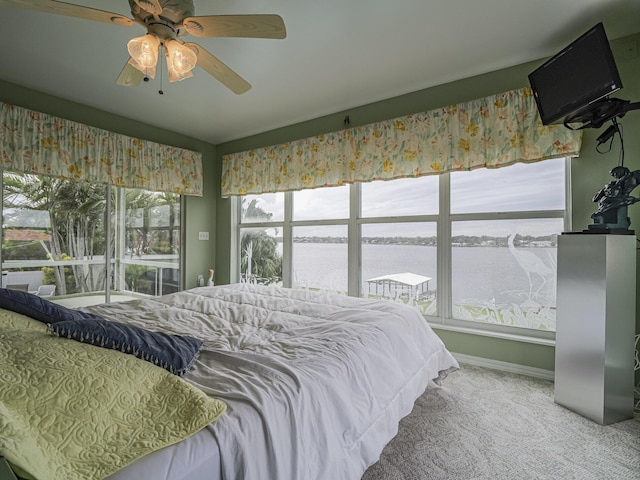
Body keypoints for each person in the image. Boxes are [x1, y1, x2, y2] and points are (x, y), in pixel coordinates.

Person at [589, 166, 640, 230]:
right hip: (609, 202)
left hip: (618, 201)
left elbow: (623, 192)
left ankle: (603, 215)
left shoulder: (632, 177)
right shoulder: (612, 185)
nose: (615, 176)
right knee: (605, 202)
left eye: (615, 174)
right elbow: (595, 199)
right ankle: (602, 216)